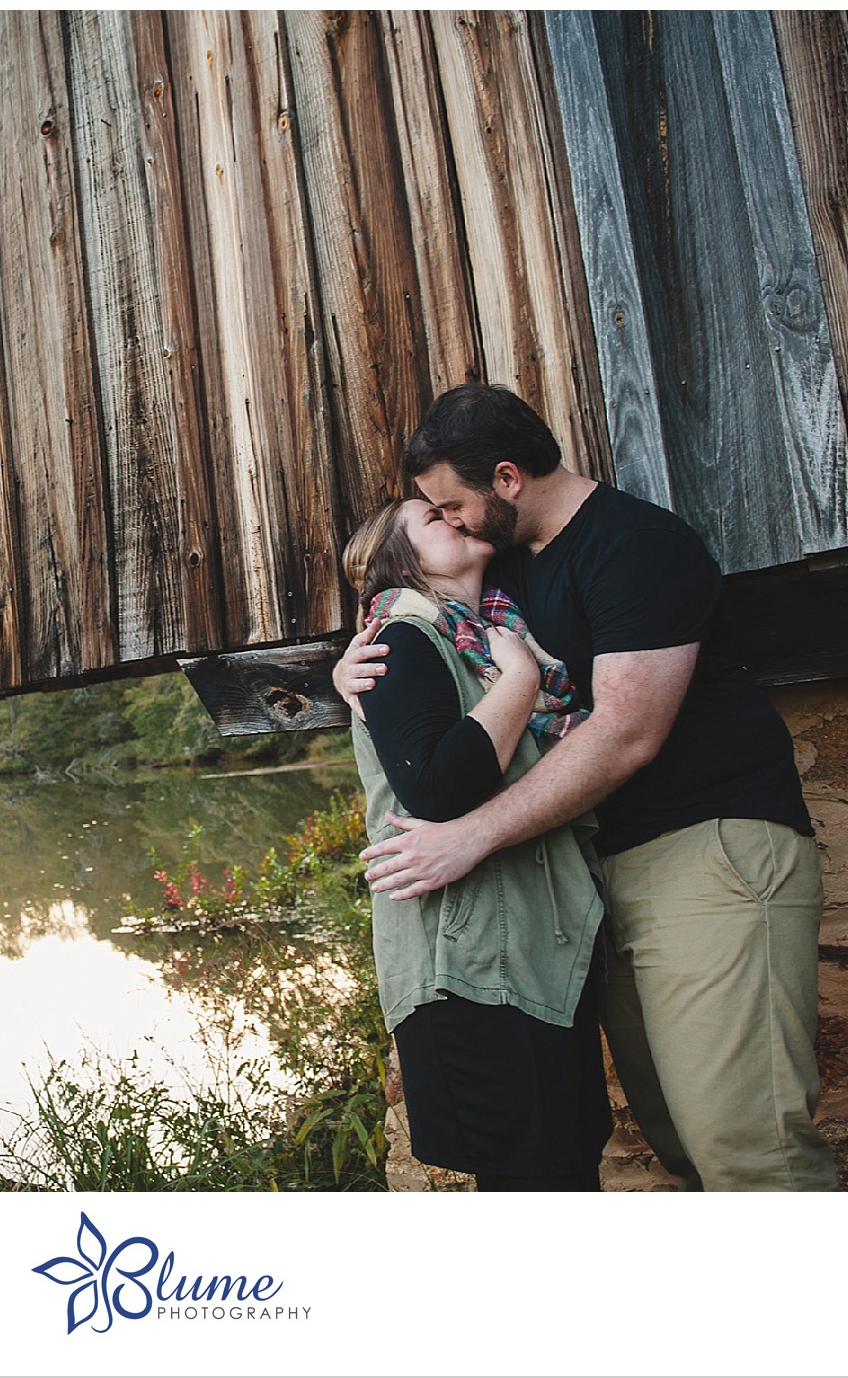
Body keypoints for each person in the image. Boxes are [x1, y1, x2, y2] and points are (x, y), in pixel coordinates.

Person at [337, 383, 838, 1192]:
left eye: (453, 505)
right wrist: (351, 672)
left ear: (507, 479)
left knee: (748, 1145)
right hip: (606, 871)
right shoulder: (512, 585)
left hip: (708, 848)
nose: (454, 522)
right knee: (677, 1135)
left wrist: (472, 836)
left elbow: (626, 733)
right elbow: (444, 651)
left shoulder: (635, 545)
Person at [341, 496, 609, 1191]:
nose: (453, 517)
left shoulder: (495, 631)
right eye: (433, 518)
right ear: (402, 562)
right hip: (468, 968)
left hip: (533, 952)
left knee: (565, 1169)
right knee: (532, 1182)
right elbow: (436, 788)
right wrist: (519, 678)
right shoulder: (403, 638)